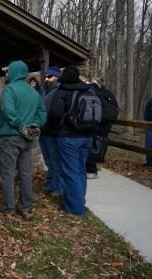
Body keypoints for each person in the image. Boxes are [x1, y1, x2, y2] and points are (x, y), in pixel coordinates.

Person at [0, 60, 46, 221]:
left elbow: (8, 111)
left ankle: (9, 210)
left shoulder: (9, 89)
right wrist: (34, 125)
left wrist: (20, 126)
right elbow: (42, 113)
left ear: (14, 72)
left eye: (8, 72)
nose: (6, 74)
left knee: (8, 174)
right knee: (26, 173)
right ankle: (26, 208)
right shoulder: (34, 92)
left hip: (10, 138)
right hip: (27, 140)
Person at [48, 66, 94, 216]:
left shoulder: (62, 91)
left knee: (70, 171)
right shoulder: (88, 90)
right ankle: (80, 201)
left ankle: (75, 208)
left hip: (68, 136)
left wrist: (54, 127)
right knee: (80, 169)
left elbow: (55, 113)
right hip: (87, 136)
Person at [86, 76, 118, 178]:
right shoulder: (110, 94)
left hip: (96, 123)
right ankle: (97, 165)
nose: (92, 84)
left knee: (93, 144)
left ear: (99, 83)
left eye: (93, 82)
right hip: (106, 124)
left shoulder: (94, 92)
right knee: (100, 144)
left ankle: (92, 169)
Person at [39, 67, 63, 197]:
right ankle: (50, 184)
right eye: (46, 76)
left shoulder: (59, 91)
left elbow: (57, 113)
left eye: (49, 76)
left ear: (57, 77)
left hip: (53, 132)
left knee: (55, 162)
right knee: (48, 161)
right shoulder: (44, 90)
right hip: (44, 131)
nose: (46, 79)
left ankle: (59, 188)